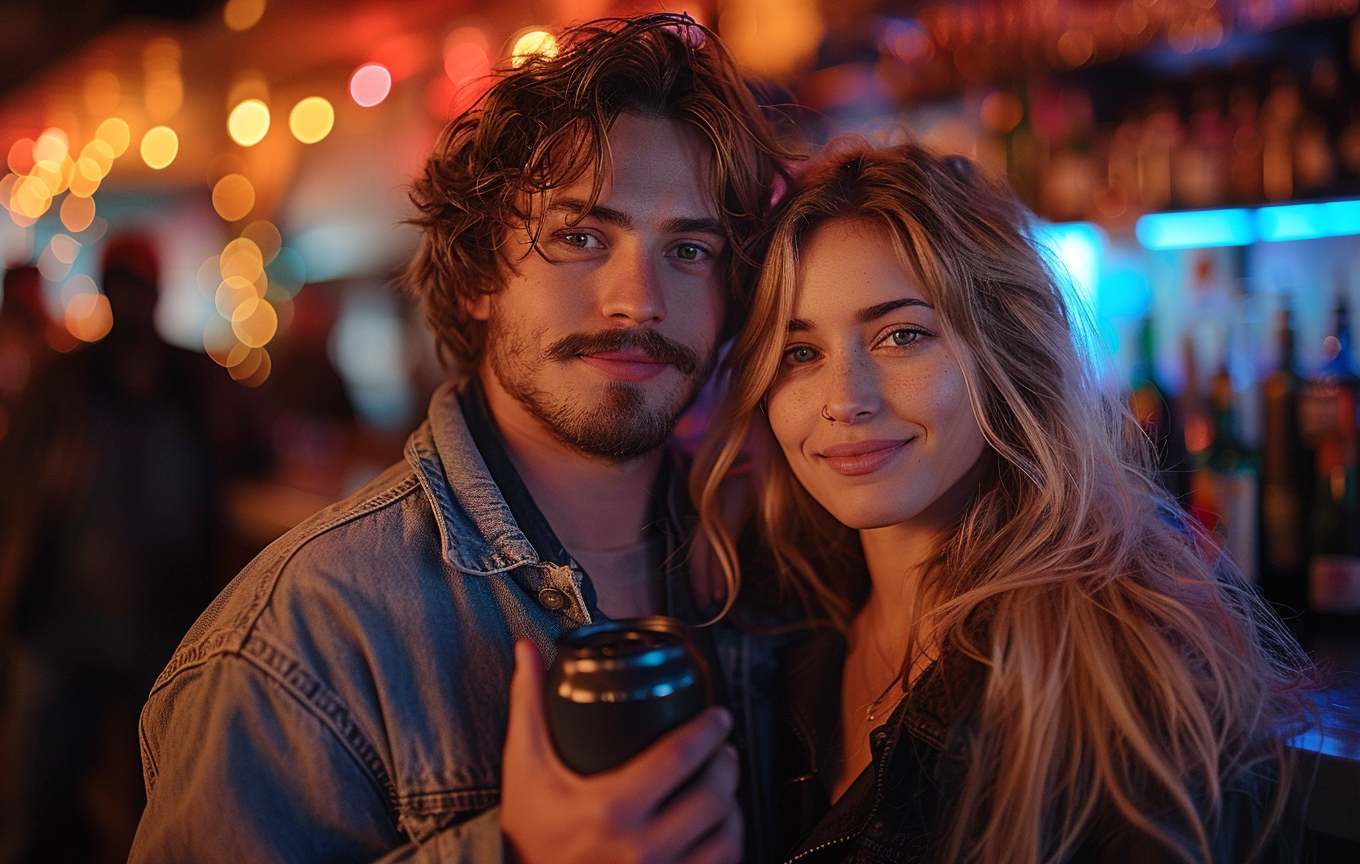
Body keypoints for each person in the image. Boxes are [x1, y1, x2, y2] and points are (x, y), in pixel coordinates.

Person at [130, 14, 798, 864]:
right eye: (581, 237)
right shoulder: (299, 641)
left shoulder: (776, 561)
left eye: (690, 249)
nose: (639, 300)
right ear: (481, 274)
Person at [694, 143, 1316, 864]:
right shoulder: (777, 624)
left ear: (1004, 353)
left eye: (902, 336)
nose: (845, 401)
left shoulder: (1114, 676)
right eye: (799, 353)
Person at [0, 238, 272, 863]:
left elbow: (260, 443)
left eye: (137, 284)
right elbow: (18, 483)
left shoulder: (196, 379)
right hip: (61, 631)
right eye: (120, 284)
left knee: (165, 817)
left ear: (156, 292)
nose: (129, 300)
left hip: (165, 632)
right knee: (33, 819)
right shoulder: (62, 381)